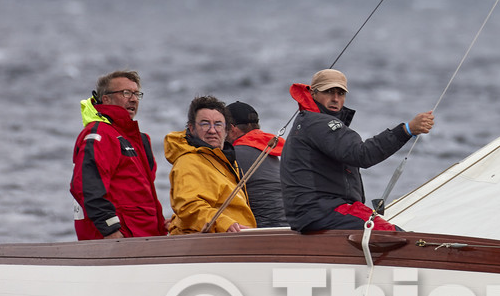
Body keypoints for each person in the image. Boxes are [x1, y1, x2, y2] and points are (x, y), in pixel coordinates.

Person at [281, 69, 434, 233]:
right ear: (313, 93)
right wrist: (406, 130)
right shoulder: (318, 123)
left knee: (391, 232)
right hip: (320, 211)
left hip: (315, 212)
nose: (335, 98)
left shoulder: (308, 122)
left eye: (340, 93)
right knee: (395, 235)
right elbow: (362, 154)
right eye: (328, 92)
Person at [71, 70, 167, 240]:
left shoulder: (138, 140)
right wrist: (110, 230)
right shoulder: (100, 135)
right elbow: (87, 187)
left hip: (145, 238)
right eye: (126, 93)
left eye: (137, 94)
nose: (133, 99)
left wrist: (161, 225)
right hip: (119, 242)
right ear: (106, 99)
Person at [166, 95, 254, 234]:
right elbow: (188, 207)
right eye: (205, 123)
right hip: (212, 245)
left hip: (237, 239)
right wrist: (223, 223)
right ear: (192, 128)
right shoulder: (188, 162)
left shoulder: (226, 161)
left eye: (218, 124)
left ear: (227, 130)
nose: (212, 130)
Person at [225, 101, 287, 229]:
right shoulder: (270, 152)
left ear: (231, 129)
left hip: (259, 232)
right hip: (288, 226)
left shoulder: (233, 155)